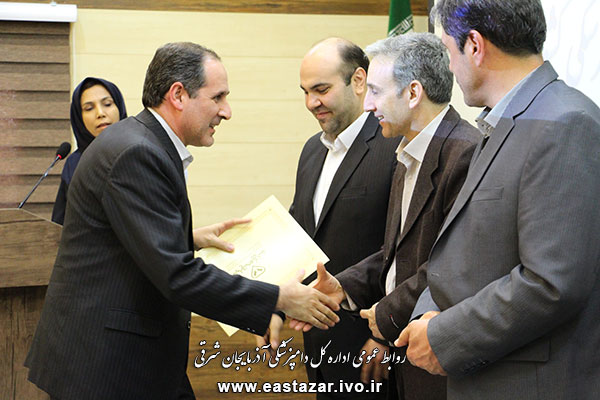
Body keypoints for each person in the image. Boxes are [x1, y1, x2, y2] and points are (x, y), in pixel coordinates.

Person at [25, 42, 340, 400]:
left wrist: (188, 237)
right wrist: (278, 298)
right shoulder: (137, 153)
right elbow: (176, 276)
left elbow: (120, 241)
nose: (227, 112)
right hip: (109, 367)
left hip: (126, 357)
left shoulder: (137, 140)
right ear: (178, 95)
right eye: (218, 97)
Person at [395, 1, 600, 400]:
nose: (449, 67)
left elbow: (551, 283)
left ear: (474, 45)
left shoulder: (564, 123)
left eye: (448, 51)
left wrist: (444, 336)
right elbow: (464, 250)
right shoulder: (504, 121)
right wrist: (425, 314)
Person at [293, 33, 480, 400]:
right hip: (399, 353)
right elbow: (394, 253)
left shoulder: (465, 153)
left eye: (376, 91)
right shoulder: (408, 149)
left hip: (433, 359)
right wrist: (343, 287)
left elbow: (449, 267)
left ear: (413, 93)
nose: (368, 104)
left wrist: (383, 320)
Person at [285, 37, 400, 400]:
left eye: (321, 90)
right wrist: (269, 301)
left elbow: (406, 248)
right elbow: (298, 232)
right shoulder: (311, 151)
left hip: (375, 349)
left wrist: (385, 332)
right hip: (320, 345)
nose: (311, 103)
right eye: (305, 92)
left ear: (359, 80)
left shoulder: (394, 145)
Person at [51, 77, 127, 225]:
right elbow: (60, 223)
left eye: (107, 104)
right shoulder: (74, 163)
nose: (100, 113)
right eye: (89, 108)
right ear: (79, 118)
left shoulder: (141, 152)